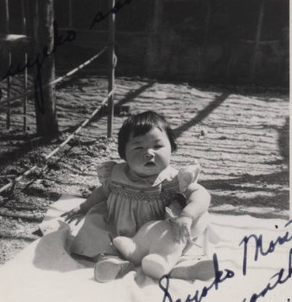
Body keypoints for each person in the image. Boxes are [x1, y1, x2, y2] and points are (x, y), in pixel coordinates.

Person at [62, 110, 211, 282]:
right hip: (119, 230)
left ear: (172, 148)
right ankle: (114, 263)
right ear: (123, 153)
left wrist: (187, 215)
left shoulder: (174, 179)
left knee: (175, 240)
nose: (149, 153)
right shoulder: (115, 174)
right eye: (139, 147)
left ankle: (182, 267)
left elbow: (201, 194)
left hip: (158, 233)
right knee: (97, 228)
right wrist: (85, 206)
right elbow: (103, 192)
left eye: (157, 146)